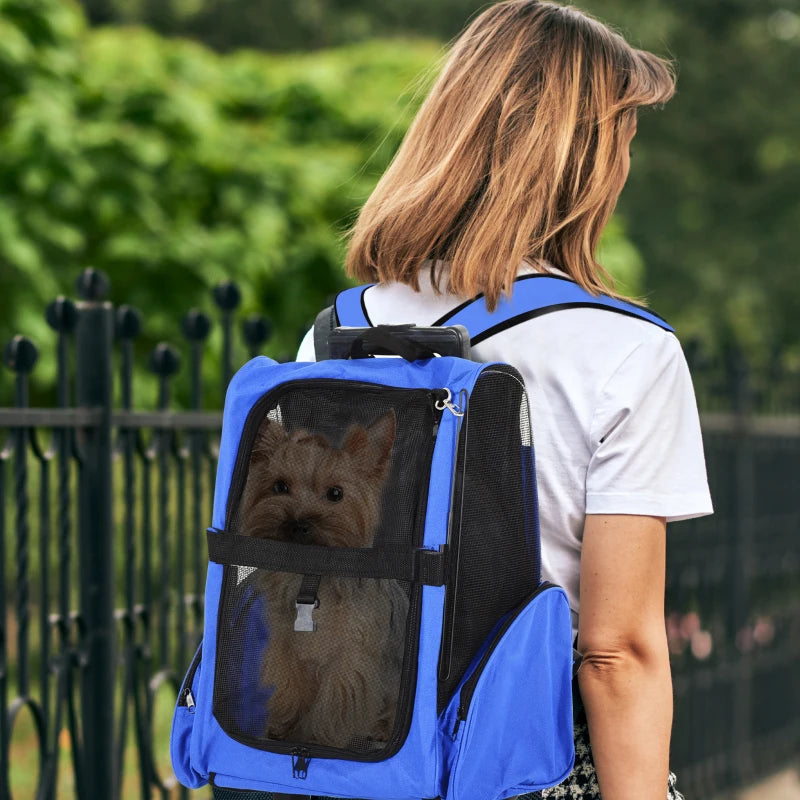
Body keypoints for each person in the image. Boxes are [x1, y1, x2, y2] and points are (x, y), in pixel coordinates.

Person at [297, 2, 713, 798]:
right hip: (523, 764)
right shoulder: (626, 350)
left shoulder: (336, 332)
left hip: (353, 755)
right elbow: (615, 652)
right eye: (622, 139)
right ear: (581, 157)